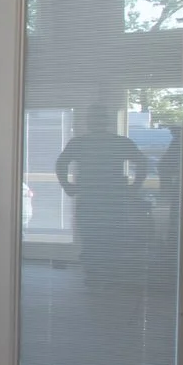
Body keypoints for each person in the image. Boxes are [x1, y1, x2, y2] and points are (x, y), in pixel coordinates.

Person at [53, 105, 149, 276]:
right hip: (101, 196)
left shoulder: (89, 142)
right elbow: (142, 163)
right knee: (101, 234)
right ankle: (99, 272)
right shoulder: (105, 142)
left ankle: (100, 272)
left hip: (107, 197)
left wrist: (67, 185)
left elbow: (142, 163)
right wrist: (134, 187)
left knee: (104, 234)